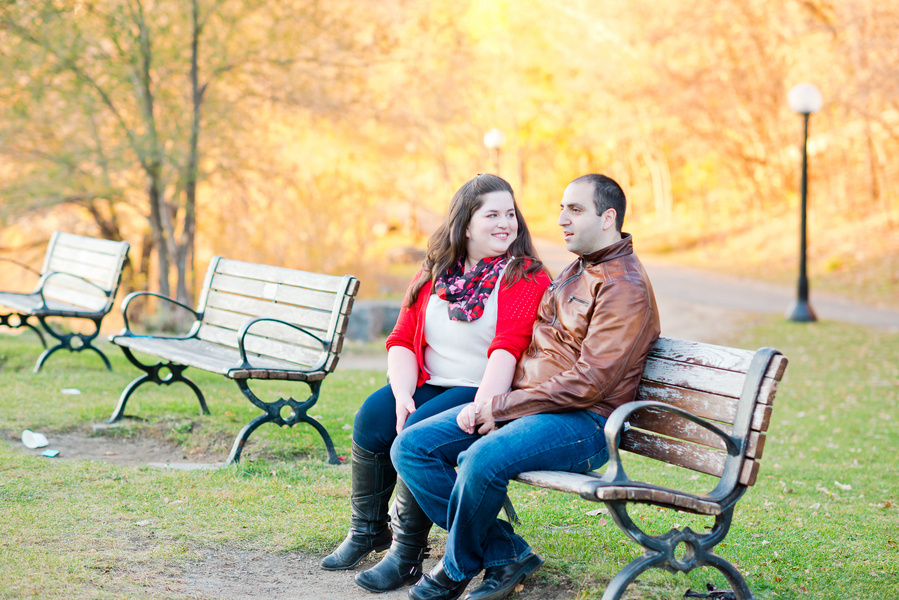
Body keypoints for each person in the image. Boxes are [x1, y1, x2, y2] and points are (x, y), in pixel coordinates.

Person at [392, 173, 662, 600]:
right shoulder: (581, 265)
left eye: (575, 210)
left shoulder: (622, 288)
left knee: (481, 457)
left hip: (586, 422)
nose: (561, 220)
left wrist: (501, 407)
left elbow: (589, 383)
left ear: (608, 217)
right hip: (535, 409)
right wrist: (496, 401)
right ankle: (505, 552)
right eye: (561, 208)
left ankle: (456, 567)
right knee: (411, 447)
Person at [320, 174, 552, 595]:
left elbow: (509, 348)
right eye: (492, 215)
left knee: (414, 437)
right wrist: (402, 393)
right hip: (431, 382)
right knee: (371, 420)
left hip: (482, 387)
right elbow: (402, 338)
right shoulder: (436, 269)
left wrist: (485, 407)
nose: (506, 224)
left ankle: (407, 554)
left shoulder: (525, 275)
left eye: (510, 214)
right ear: (465, 224)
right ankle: (369, 531)